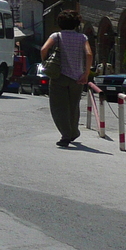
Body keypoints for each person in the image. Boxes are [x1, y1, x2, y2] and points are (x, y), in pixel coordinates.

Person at [40, 9, 93, 147]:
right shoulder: (82, 38)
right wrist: (86, 73)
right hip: (77, 78)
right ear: (76, 23)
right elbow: (88, 54)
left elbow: (43, 49)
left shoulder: (56, 36)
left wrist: (46, 63)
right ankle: (74, 131)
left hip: (59, 76)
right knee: (73, 106)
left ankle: (66, 135)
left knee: (59, 107)